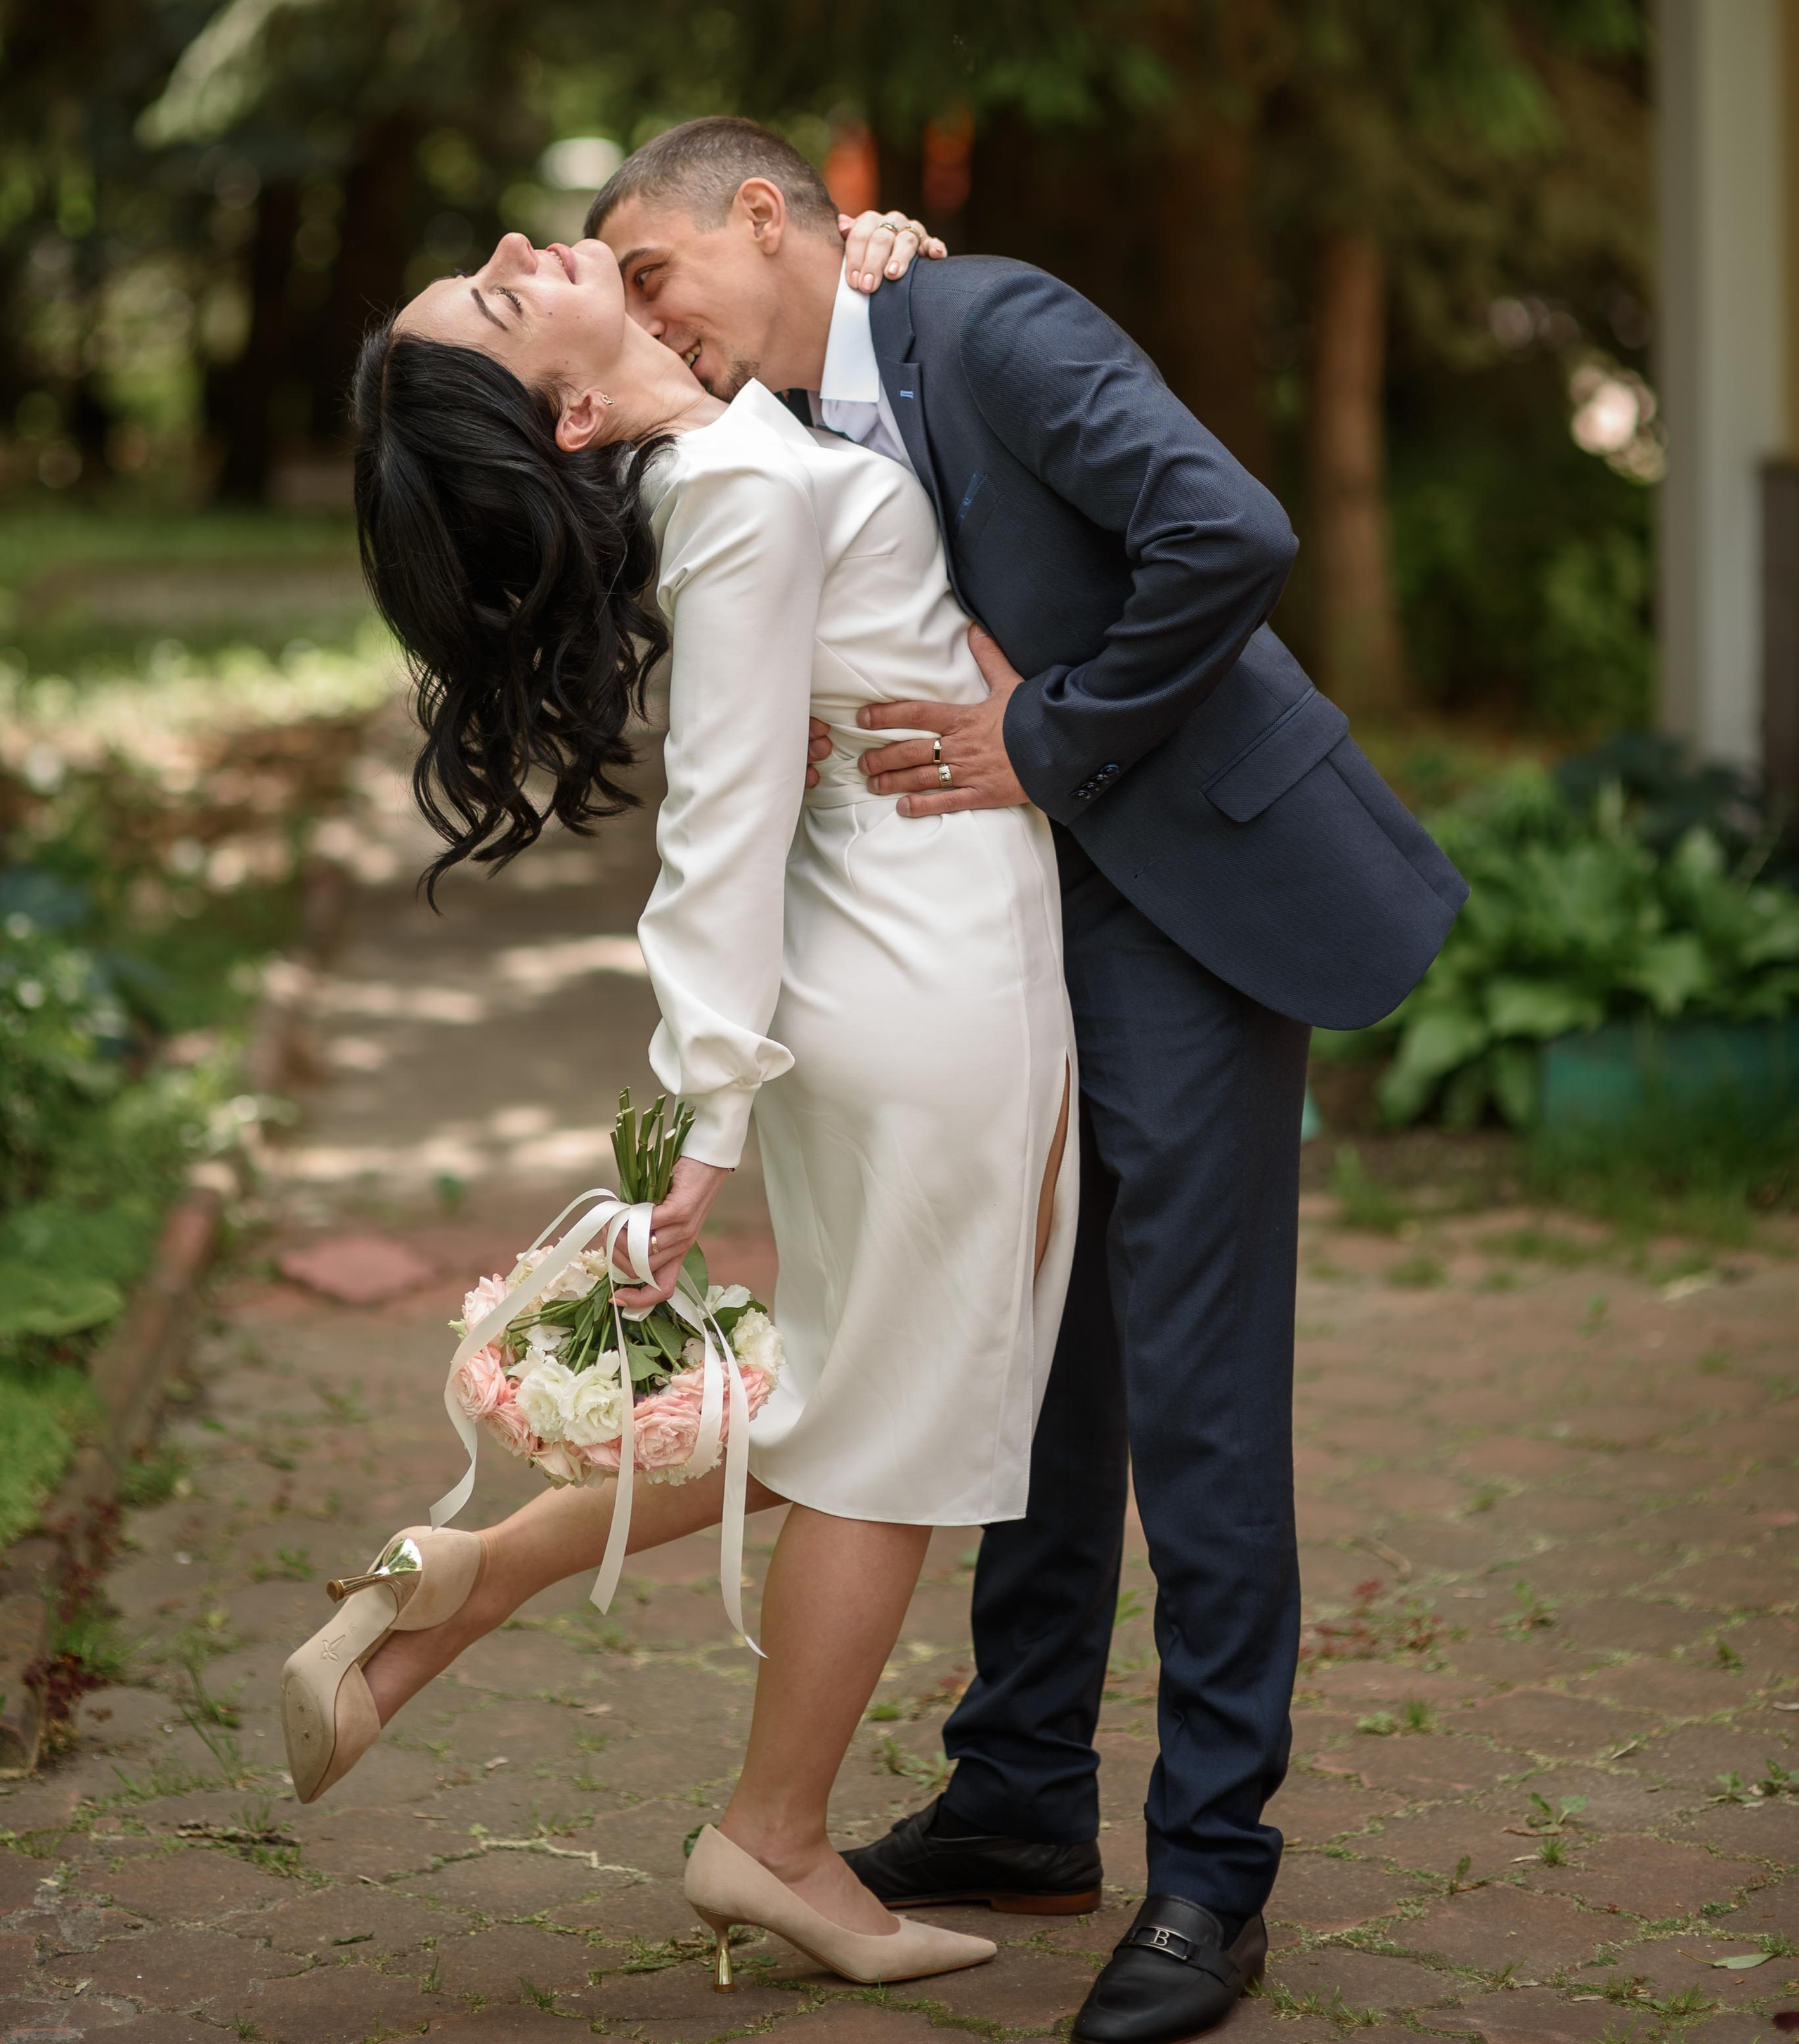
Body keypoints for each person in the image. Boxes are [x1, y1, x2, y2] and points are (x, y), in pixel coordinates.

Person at [583, 117, 1469, 2044]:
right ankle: (1020, 1793)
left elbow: (1227, 531)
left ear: (763, 215)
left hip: (1182, 893)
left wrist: (1050, 734)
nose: (652, 317)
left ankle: (1215, 1872)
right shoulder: (789, 407)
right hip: (1001, 925)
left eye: (655, 269)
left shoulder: (982, 324)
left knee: (1197, 1386)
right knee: (1032, 1360)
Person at [280, 214, 1077, 1996]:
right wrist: (700, 1120)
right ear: (566, 421)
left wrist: (866, 249)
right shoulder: (733, 489)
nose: (515, 240)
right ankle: (774, 1840)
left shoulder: (734, 457)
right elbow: (716, 826)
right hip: (928, 974)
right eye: (499, 298)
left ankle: (460, 1583)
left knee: (861, 1401)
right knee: (897, 1443)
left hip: (897, 959)